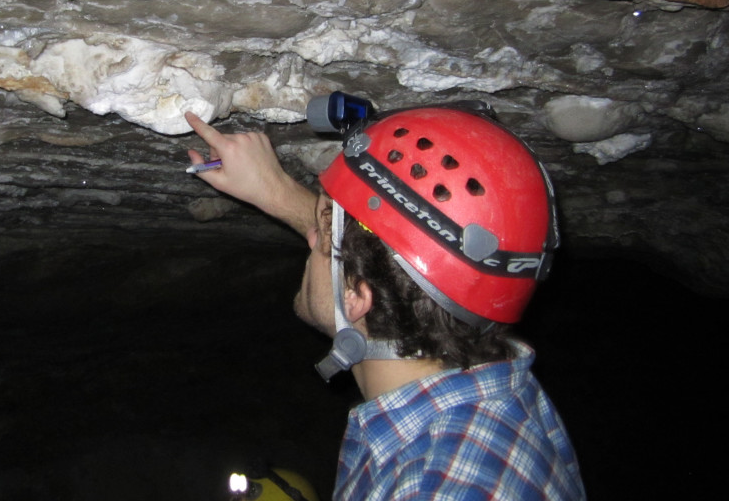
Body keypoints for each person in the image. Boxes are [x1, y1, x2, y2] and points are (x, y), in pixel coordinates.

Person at [185, 102, 586, 500]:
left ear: (358, 295)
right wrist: (275, 190)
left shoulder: (439, 490)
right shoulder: (496, 395)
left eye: (324, 235)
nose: (312, 236)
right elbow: (389, 253)